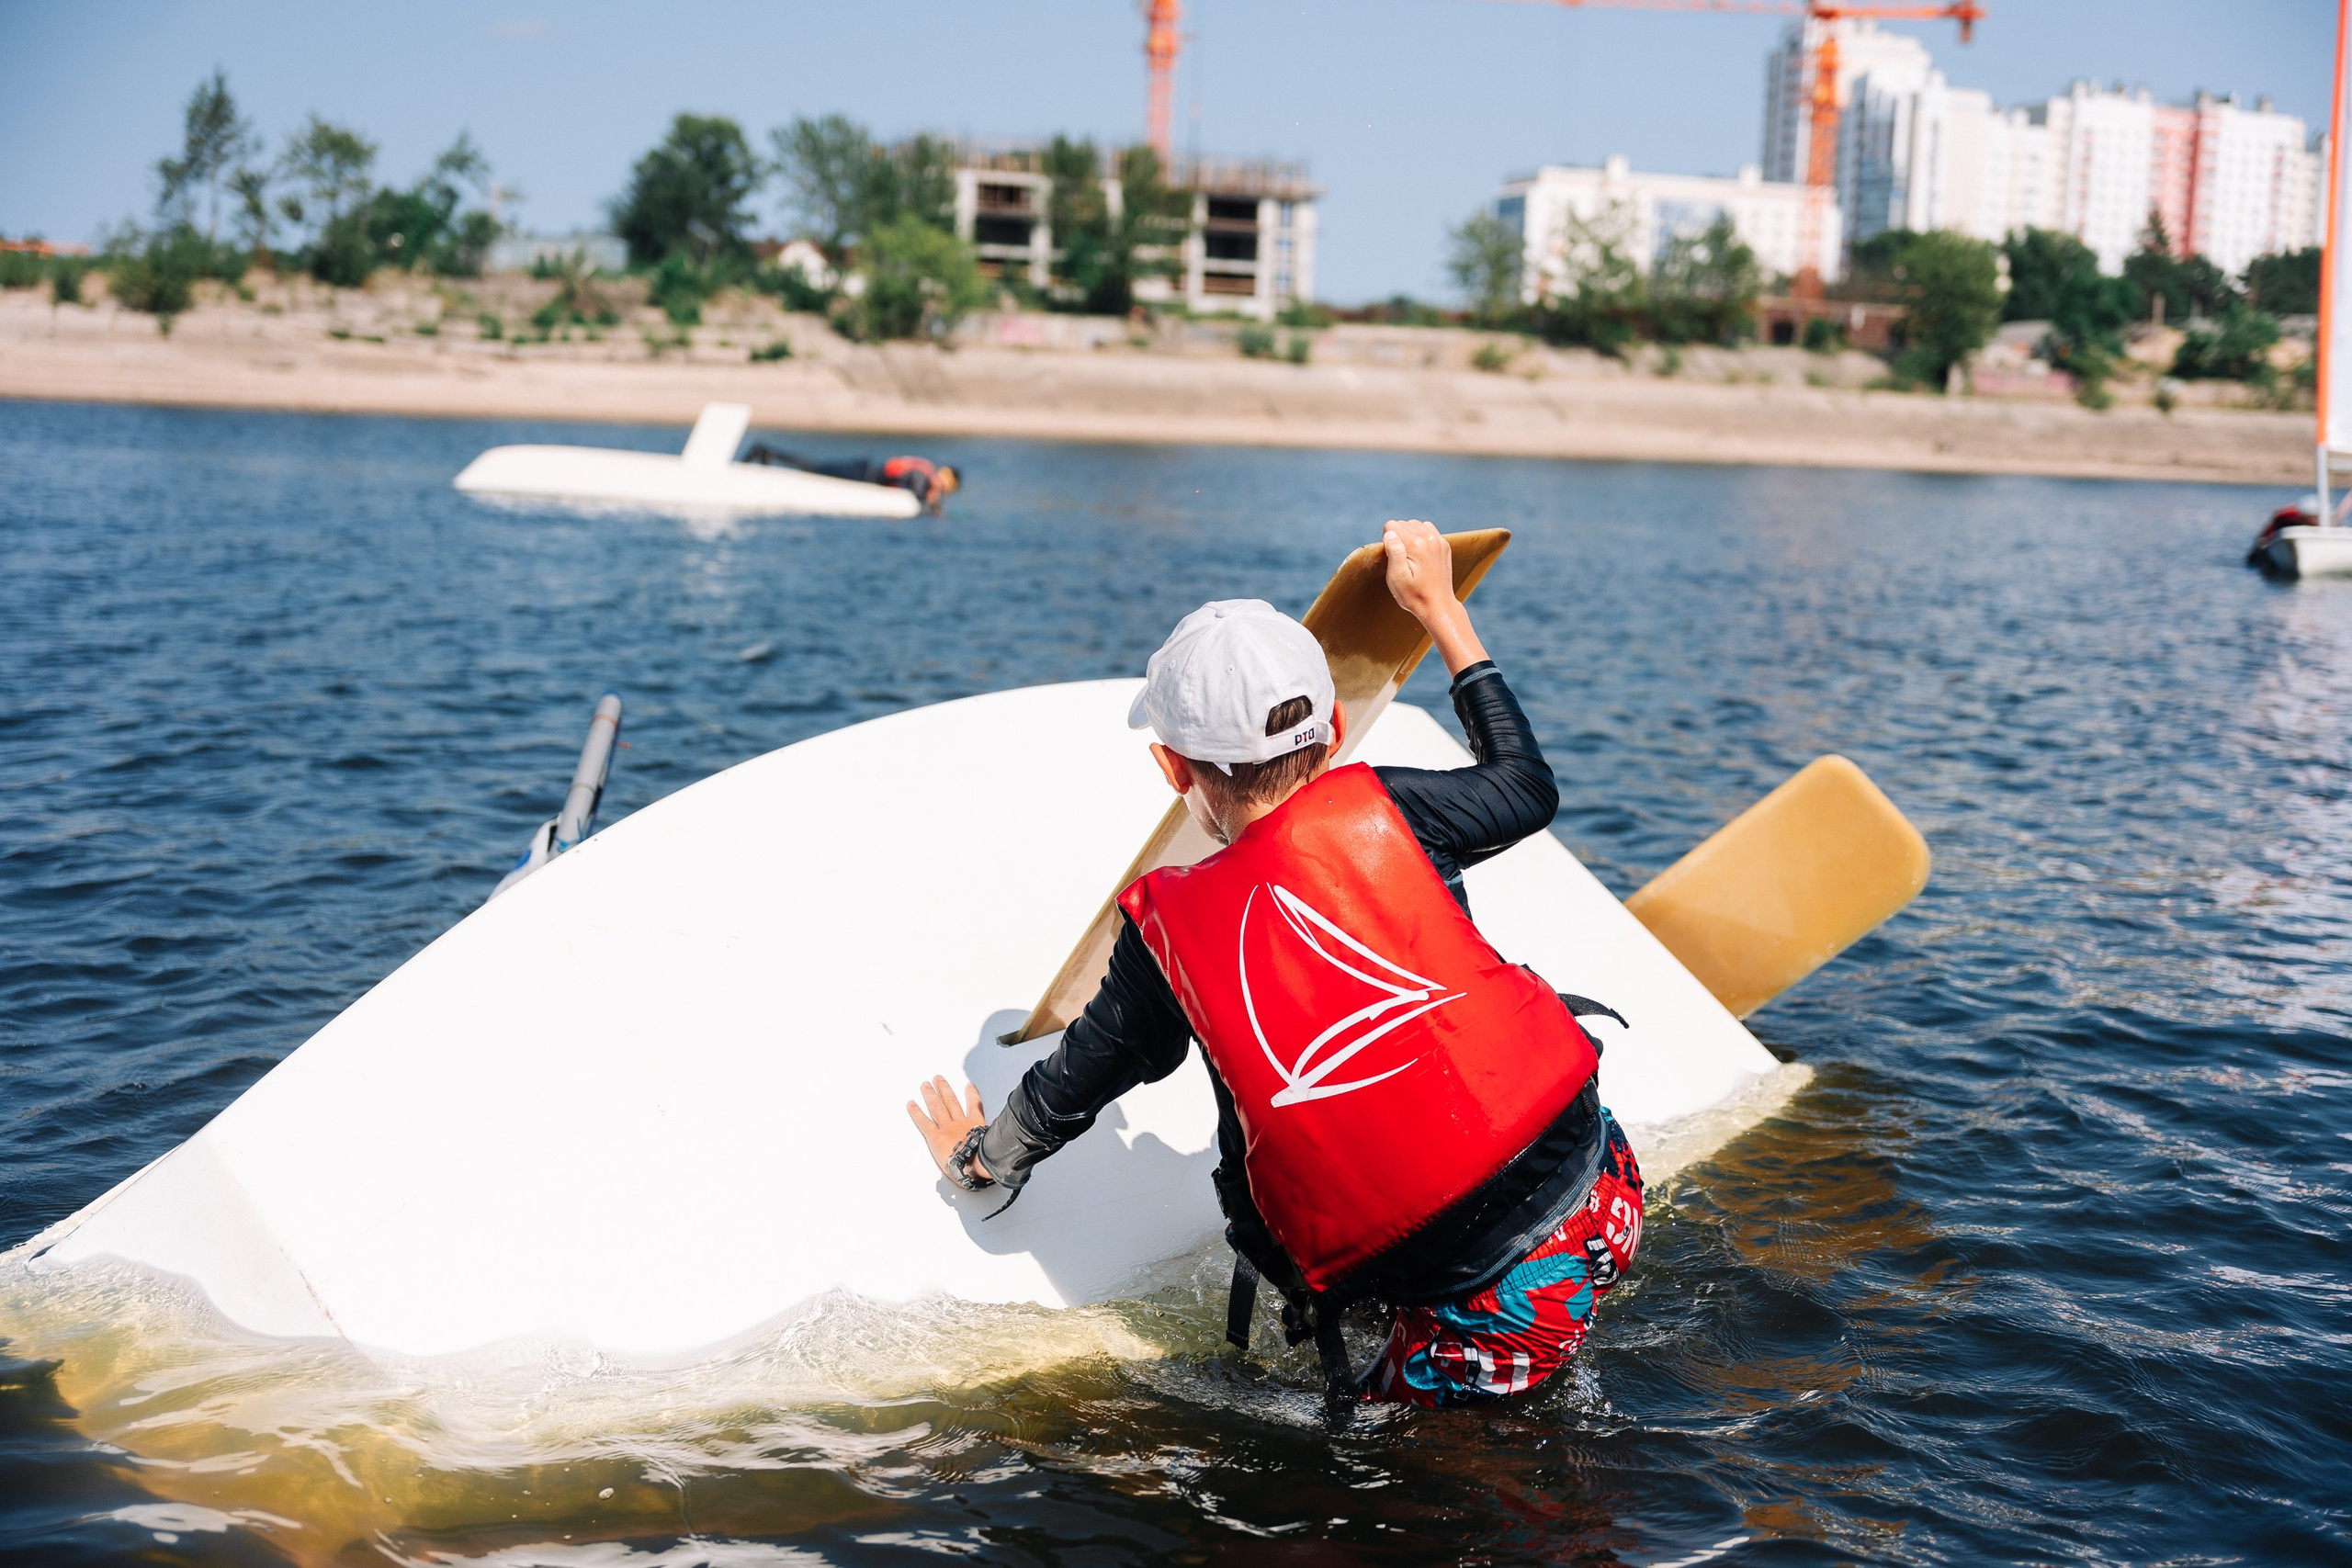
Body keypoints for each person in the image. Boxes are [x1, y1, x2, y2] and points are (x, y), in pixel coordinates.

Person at [907, 520, 1642, 1409]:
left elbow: (1079, 1078)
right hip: (1601, 1186)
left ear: (1169, 765)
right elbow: (1526, 783)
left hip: (1495, 1298)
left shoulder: (1163, 930)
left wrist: (981, 1161)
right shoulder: (1405, 811)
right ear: (1334, 727)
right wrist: (1442, 609)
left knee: (1447, 1496)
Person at [741, 444, 960, 512]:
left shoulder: (924, 470)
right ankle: (768, 452)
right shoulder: (922, 475)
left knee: (815, 467)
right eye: (942, 486)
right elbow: (913, 487)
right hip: (861, 473)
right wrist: (930, 501)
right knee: (814, 468)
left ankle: (770, 453)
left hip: (864, 470)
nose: (940, 489)